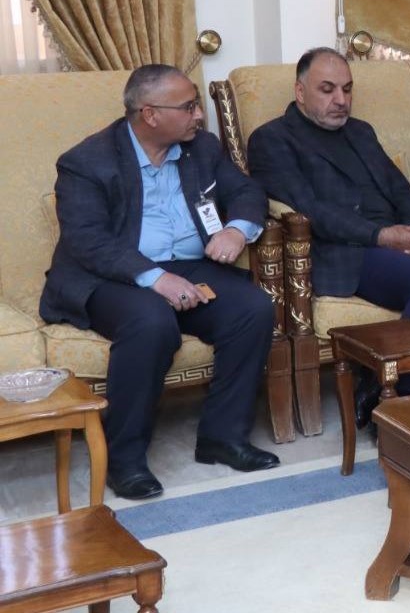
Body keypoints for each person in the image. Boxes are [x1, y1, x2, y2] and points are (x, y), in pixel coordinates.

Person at [40, 64, 280, 500]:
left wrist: (235, 230)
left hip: (188, 265)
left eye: (197, 105)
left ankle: (223, 437)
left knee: (252, 309)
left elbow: (246, 191)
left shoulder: (200, 148)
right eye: (188, 107)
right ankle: (123, 460)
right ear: (149, 114)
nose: (199, 115)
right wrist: (155, 278)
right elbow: (88, 241)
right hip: (112, 275)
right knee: (151, 322)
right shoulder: (87, 162)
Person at [248, 47, 410, 426]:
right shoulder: (273, 139)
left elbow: (400, 189)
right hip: (342, 251)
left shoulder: (360, 131)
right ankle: (400, 414)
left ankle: (381, 382)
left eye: (347, 89)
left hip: (393, 241)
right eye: (327, 90)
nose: (341, 100)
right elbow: (310, 211)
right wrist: (382, 236)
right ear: (300, 92)